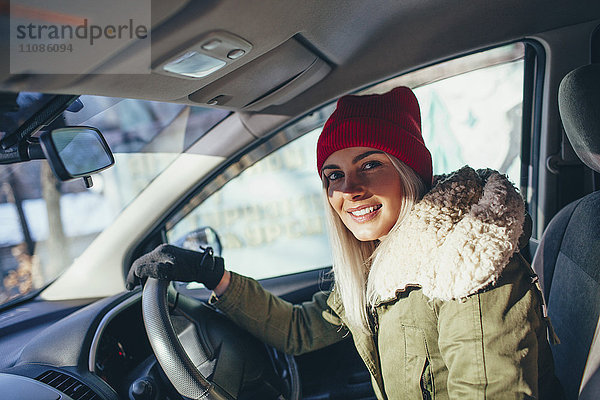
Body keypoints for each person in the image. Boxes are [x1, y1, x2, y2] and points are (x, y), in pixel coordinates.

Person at [127, 87, 563, 399]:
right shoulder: (386, 260)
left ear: (409, 171)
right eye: (333, 174)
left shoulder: (465, 263)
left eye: (369, 164)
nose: (348, 190)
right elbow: (302, 328)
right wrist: (209, 273)